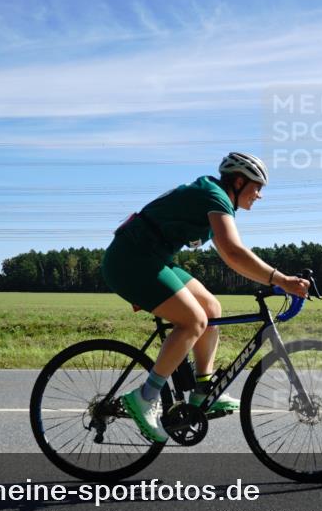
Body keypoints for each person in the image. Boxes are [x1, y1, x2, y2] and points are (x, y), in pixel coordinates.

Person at [101, 152, 310, 442]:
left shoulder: (214, 197)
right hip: (131, 260)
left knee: (211, 307)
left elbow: (232, 255)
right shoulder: (215, 196)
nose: (259, 195)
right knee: (193, 321)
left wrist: (275, 281)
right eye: (257, 187)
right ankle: (145, 397)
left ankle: (203, 391)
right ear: (238, 182)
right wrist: (282, 280)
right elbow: (233, 253)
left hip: (152, 258)